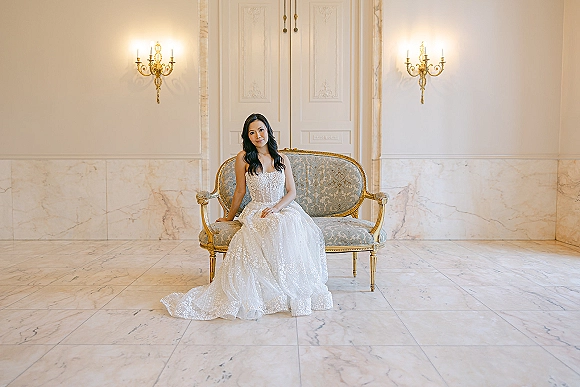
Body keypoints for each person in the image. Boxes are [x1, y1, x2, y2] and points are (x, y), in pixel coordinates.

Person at [161, 113, 333, 320]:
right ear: (247, 136)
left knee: (289, 222)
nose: (257, 135)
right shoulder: (243, 158)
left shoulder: (281, 159)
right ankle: (267, 287)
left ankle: (286, 283)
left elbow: (292, 192)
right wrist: (229, 217)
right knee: (271, 224)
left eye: (261, 130)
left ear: (268, 131)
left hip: (282, 207)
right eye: (252, 132)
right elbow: (240, 192)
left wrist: (277, 207)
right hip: (257, 208)